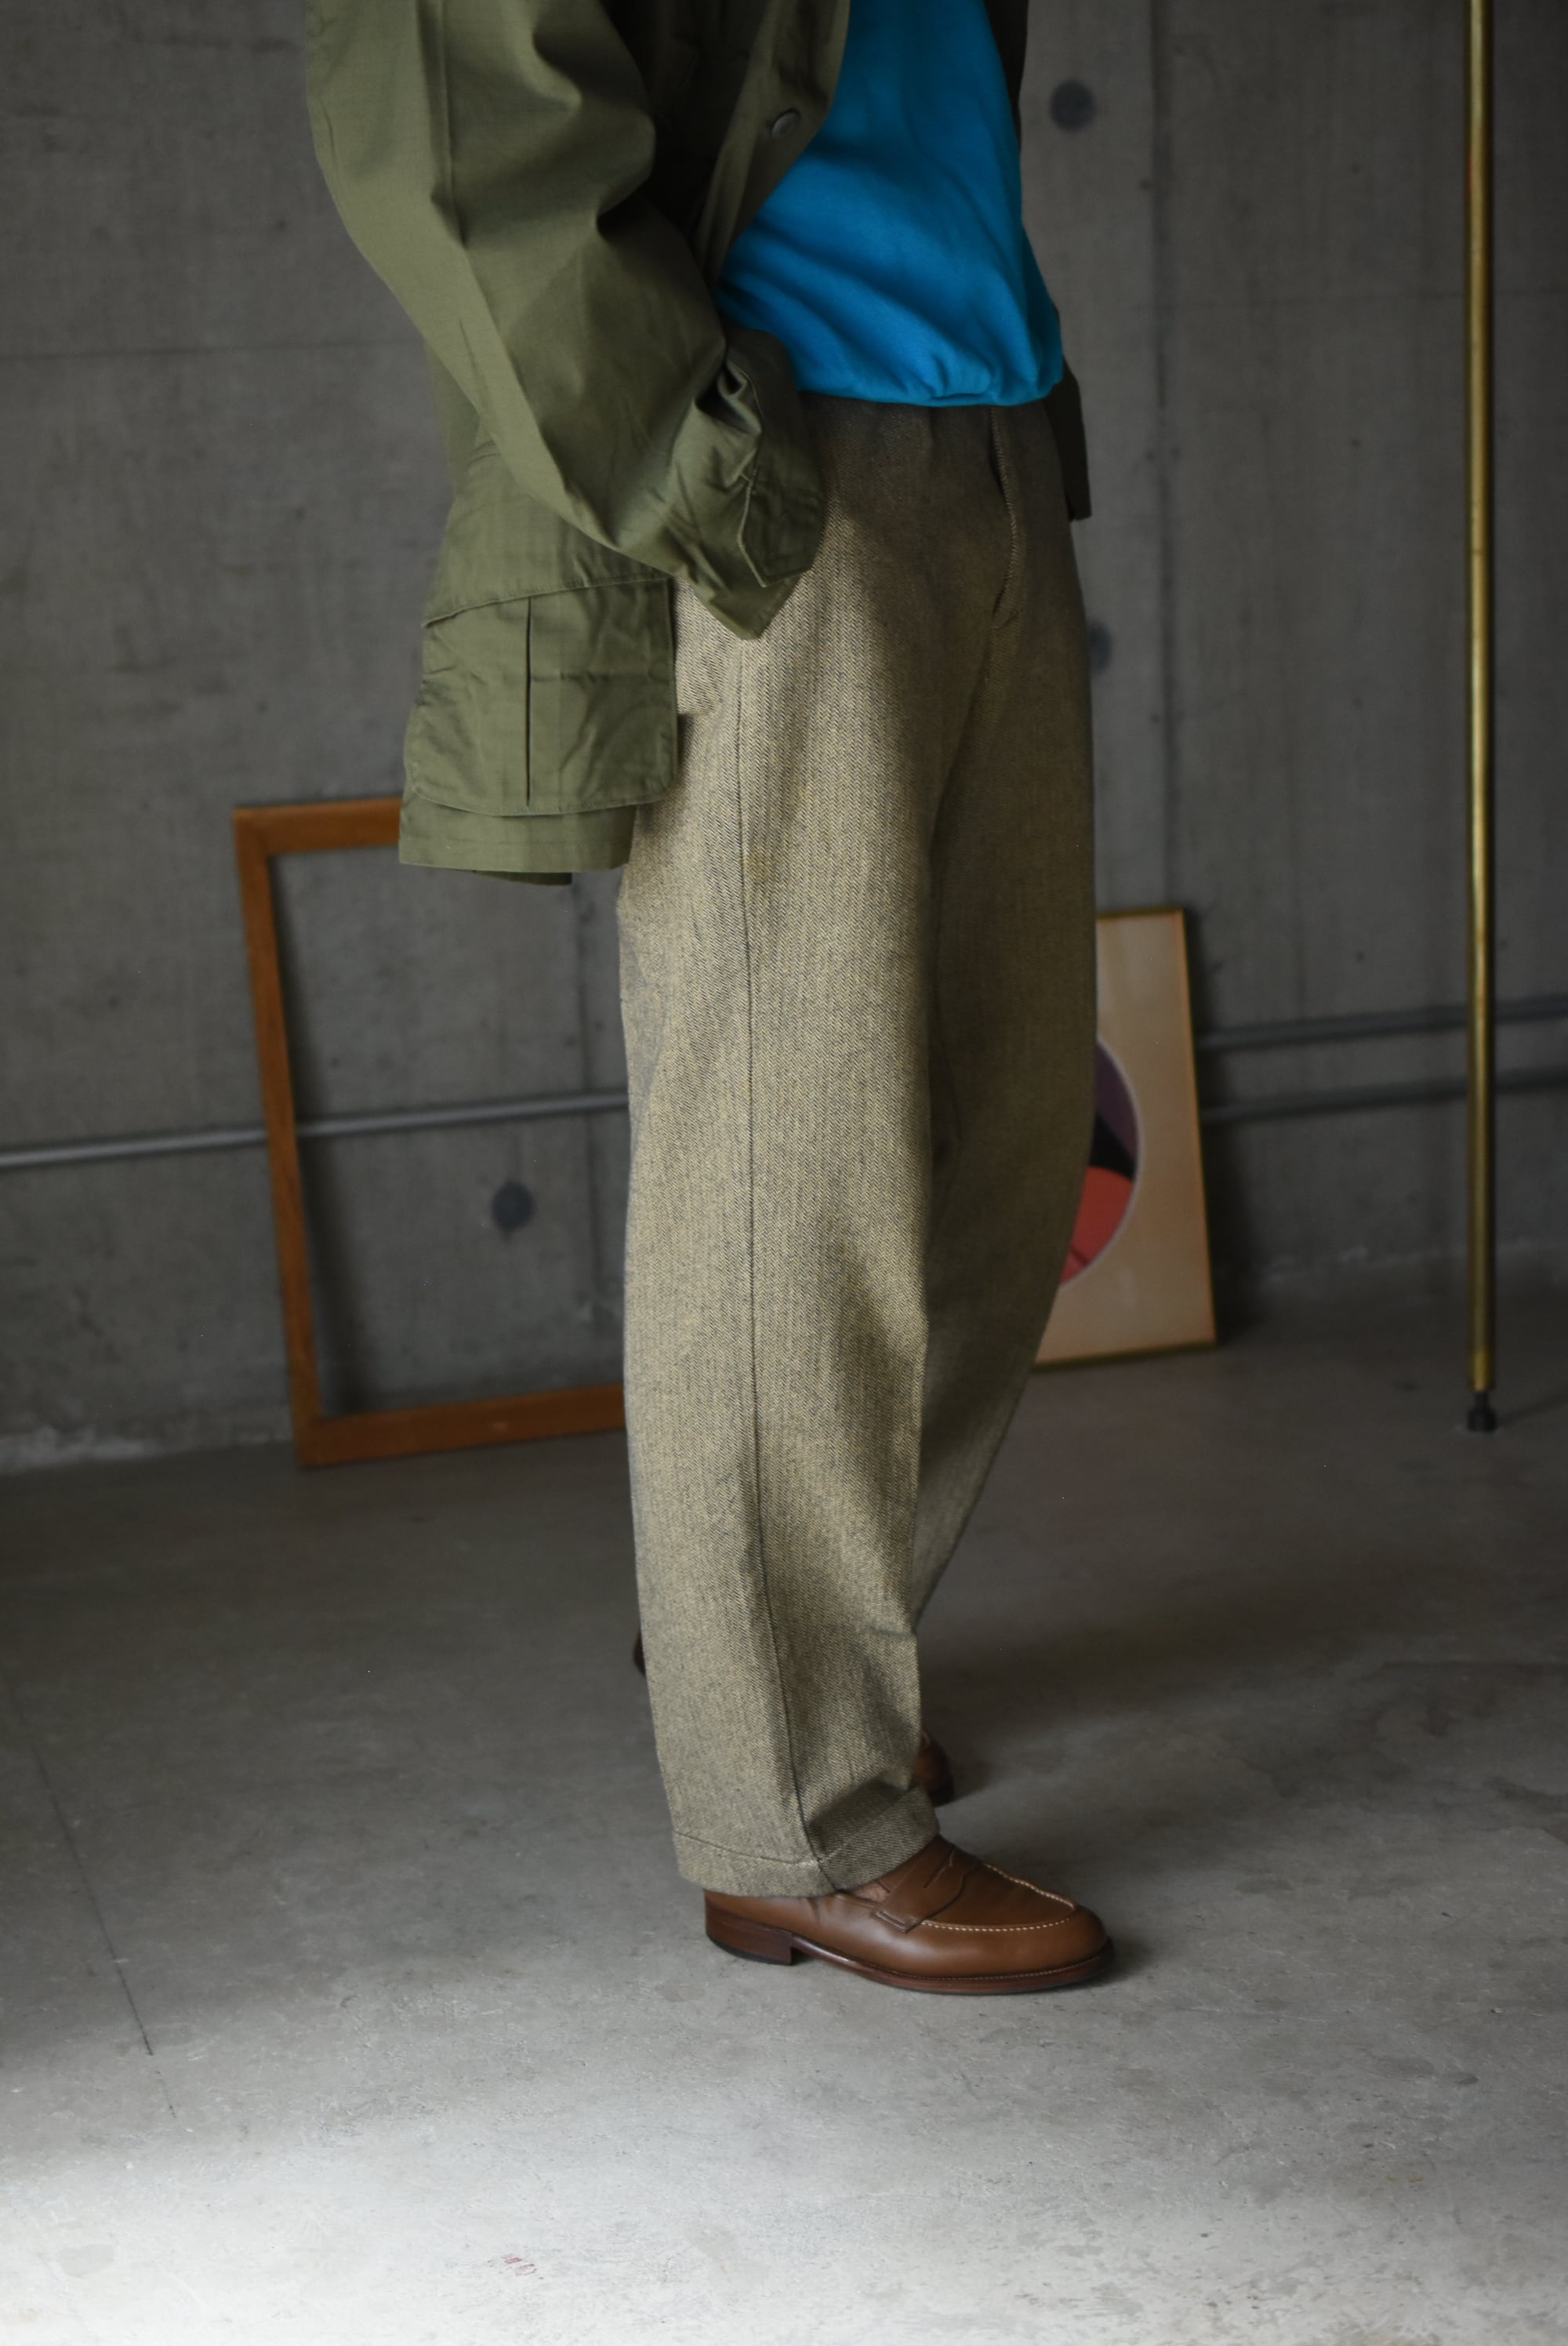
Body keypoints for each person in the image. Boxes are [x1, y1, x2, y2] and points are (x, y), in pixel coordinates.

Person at [307, 0, 1112, 1994]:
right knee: (786, 1155)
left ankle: (785, 1656)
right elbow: (453, 117)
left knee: (1004, 1143)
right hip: (777, 455)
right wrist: (705, 466)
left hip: (987, 418)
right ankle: (788, 1811)